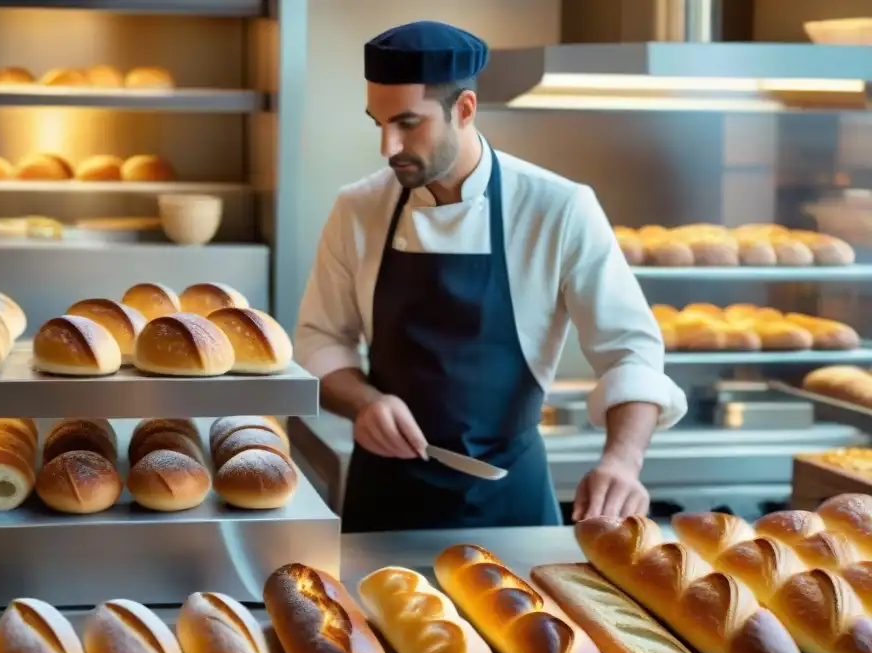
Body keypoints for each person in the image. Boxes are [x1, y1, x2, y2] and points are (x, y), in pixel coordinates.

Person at [294, 20, 687, 533]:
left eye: (408, 123)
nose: (388, 147)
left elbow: (630, 349)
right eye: (379, 123)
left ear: (464, 110)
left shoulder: (558, 207)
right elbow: (320, 338)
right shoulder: (359, 208)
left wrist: (622, 461)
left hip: (509, 503)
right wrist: (364, 402)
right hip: (383, 502)